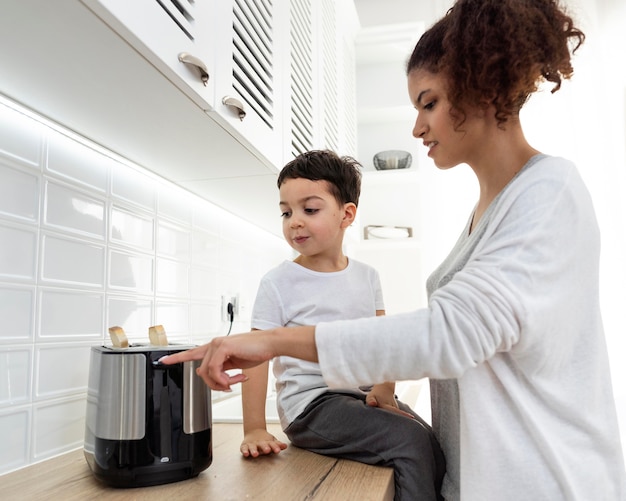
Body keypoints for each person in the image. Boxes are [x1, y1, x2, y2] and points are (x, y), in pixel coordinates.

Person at [162, 1, 626, 500]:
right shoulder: (486, 215)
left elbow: (449, 334)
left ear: (480, 88)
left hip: (547, 483)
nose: (417, 127)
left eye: (428, 104)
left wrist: (273, 342)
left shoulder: (549, 191)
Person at [237, 149, 444, 501]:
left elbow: (383, 341)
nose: (294, 221)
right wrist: (255, 428)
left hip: (361, 397)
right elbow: (256, 357)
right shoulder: (278, 282)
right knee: (408, 441)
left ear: (347, 214)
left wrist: (384, 389)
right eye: (286, 212)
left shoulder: (367, 276)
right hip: (312, 406)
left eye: (310, 210)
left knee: (430, 440)